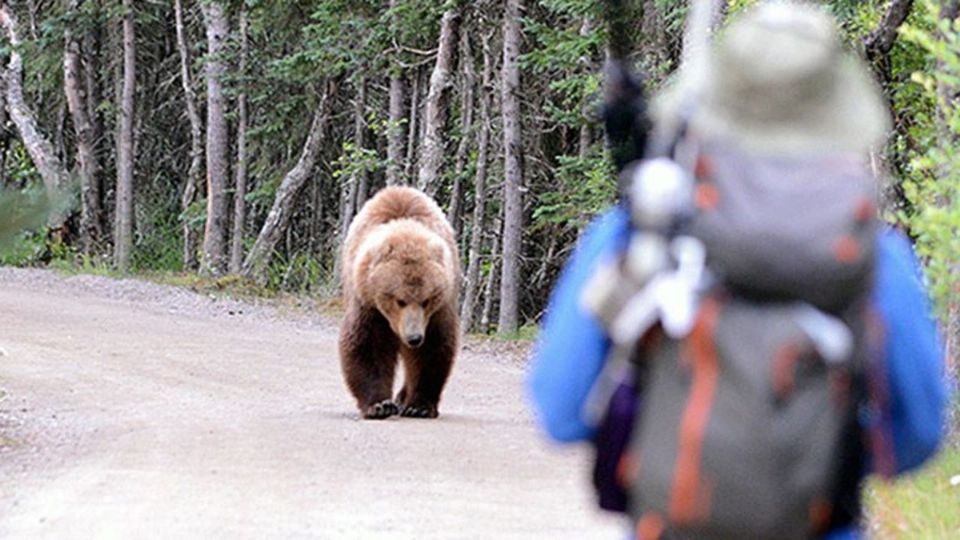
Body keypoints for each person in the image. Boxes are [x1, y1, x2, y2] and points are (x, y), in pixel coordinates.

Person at [527, 3, 948, 539]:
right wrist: (810, 457)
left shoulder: (644, 229)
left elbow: (561, 410)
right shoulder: (873, 255)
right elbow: (915, 439)